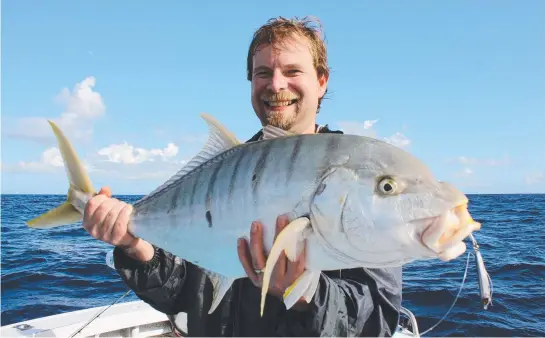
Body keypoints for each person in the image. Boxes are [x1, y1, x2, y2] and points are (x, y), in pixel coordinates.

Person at [82, 16, 403, 336]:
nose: (276, 84)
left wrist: (306, 293)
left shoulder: (359, 177)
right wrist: (135, 246)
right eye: (263, 73)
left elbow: (377, 322)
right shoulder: (222, 172)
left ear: (321, 81)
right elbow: (184, 292)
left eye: (292, 71)